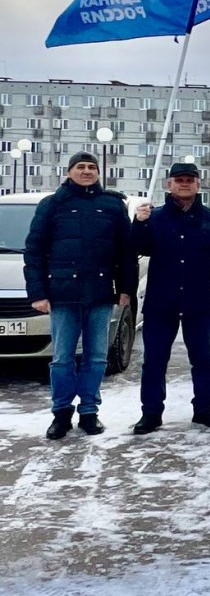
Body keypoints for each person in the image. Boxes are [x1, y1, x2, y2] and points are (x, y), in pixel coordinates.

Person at [24, 151, 136, 440]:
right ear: (69, 171)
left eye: (91, 167)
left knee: (97, 357)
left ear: (98, 172)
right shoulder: (53, 204)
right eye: (80, 167)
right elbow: (34, 250)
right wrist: (37, 292)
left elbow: (126, 253)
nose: (86, 171)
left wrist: (126, 289)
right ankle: (61, 414)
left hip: (100, 295)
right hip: (63, 296)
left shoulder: (112, 205)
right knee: (61, 358)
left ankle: (89, 412)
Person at [131, 162, 210, 434]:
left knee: (202, 358)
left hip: (199, 302)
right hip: (161, 302)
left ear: (198, 185)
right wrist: (139, 224)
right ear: (169, 185)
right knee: (154, 360)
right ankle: (151, 413)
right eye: (179, 180)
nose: (184, 184)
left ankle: (204, 409)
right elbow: (139, 248)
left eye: (190, 180)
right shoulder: (155, 217)